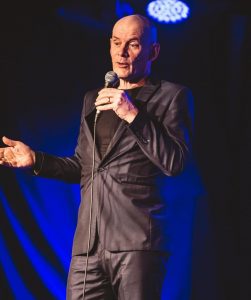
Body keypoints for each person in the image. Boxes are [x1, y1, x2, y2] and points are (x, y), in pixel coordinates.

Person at [0, 14, 193, 300]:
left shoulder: (171, 97)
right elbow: (84, 166)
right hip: (88, 245)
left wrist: (132, 114)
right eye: (116, 43)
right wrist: (36, 161)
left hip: (137, 241)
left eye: (133, 45)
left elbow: (174, 162)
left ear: (153, 51)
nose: (121, 52)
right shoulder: (94, 99)